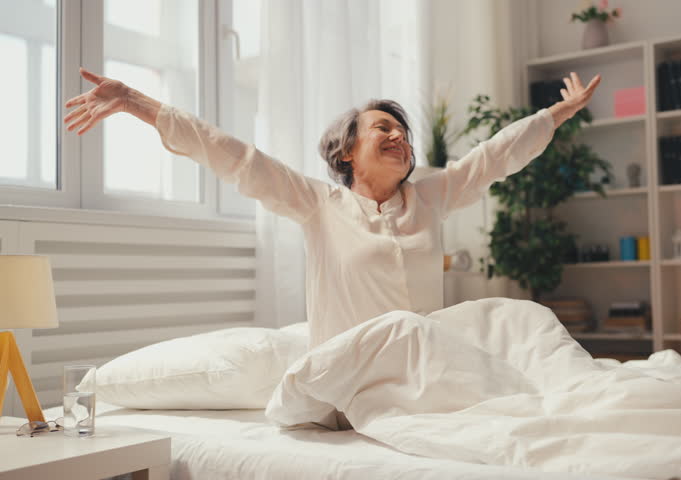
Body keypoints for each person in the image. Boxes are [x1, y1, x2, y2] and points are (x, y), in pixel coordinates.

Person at [65, 67, 601, 348]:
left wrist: (558, 113)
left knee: (521, 325)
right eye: (383, 128)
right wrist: (136, 102)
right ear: (347, 152)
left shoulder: (430, 195)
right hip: (356, 376)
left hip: (428, 361)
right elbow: (233, 155)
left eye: (404, 133)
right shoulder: (317, 204)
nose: (399, 137)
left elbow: (494, 156)